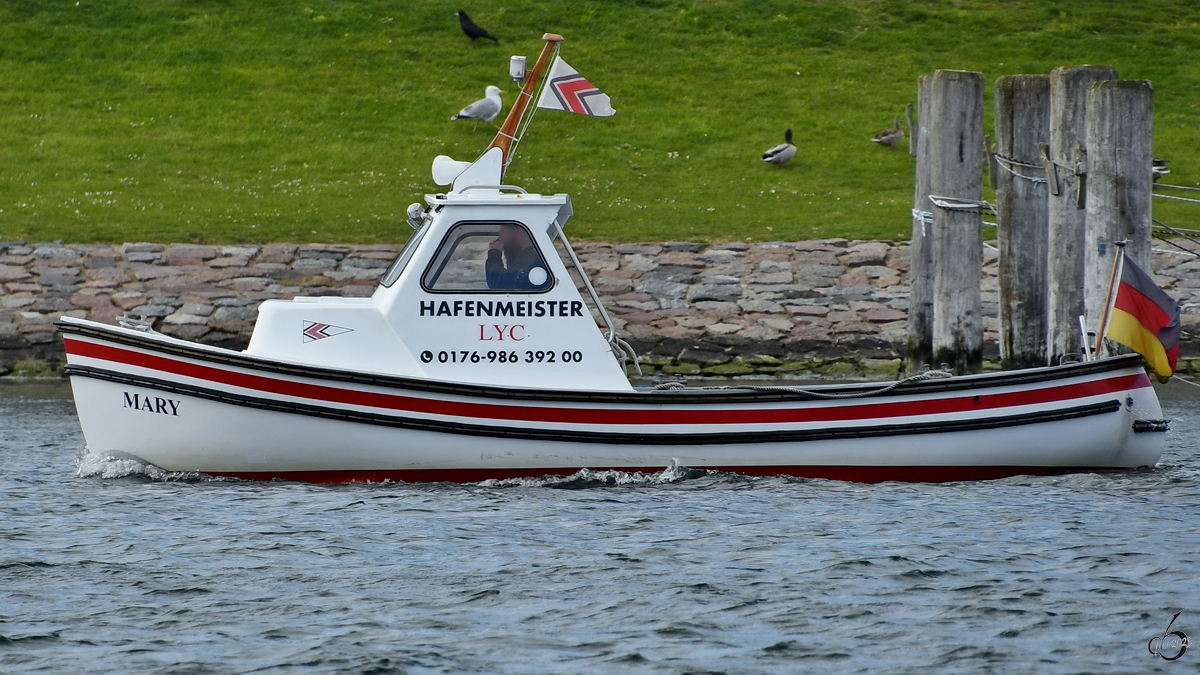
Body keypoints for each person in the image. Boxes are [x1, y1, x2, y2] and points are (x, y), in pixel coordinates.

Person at [486, 224, 548, 290]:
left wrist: (494, 252)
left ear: (519, 231)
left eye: (502, 233)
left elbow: (500, 286)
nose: (500, 239)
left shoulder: (532, 260)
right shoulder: (535, 257)